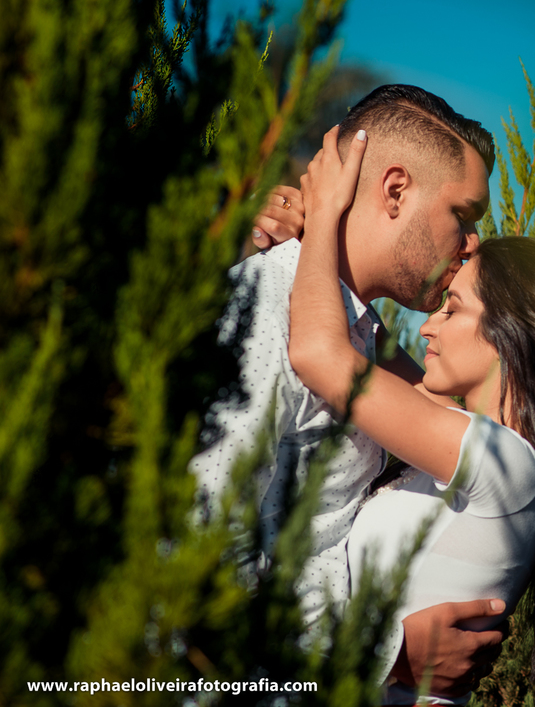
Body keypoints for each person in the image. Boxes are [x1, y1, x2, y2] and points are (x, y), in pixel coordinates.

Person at [189, 85, 502, 694]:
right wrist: (383, 655)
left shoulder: (359, 335)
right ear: (394, 190)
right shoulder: (262, 311)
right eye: (463, 216)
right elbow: (196, 559)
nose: (472, 246)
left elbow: (461, 418)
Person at [286, 126, 535, 704]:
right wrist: (303, 234)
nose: (429, 324)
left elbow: (321, 354)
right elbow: (368, 336)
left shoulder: (506, 464)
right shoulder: (473, 445)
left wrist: (324, 218)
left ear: (508, 333)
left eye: (453, 308)